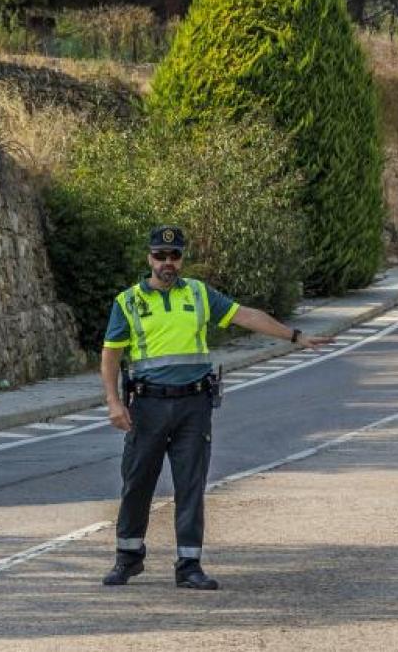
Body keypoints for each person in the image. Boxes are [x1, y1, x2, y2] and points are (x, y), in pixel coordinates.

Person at [100, 225, 328, 590]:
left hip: (194, 404)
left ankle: (189, 565)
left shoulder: (199, 294)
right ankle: (128, 558)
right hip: (147, 406)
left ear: (182, 258)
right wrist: (113, 402)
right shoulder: (128, 302)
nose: (167, 263)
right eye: (160, 256)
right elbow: (111, 357)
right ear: (149, 258)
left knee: (191, 485)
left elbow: (246, 315)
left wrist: (296, 336)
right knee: (137, 482)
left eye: (174, 256)